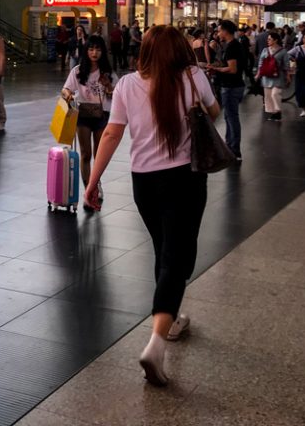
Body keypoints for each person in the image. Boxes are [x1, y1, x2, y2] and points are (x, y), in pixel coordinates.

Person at [84, 26, 219, 386]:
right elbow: (215, 113)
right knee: (179, 258)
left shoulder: (128, 84)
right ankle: (157, 342)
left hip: (143, 182)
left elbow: (112, 133)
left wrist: (93, 181)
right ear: (178, 50)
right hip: (185, 180)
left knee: (164, 249)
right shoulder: (193, 76)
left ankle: (170, 318)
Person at [60, 35, 118, 211]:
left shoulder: (108, 72)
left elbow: (116, 95)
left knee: (99, 155)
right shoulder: (78, 71)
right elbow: (65, 89)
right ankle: (89, 190)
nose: (94, 53)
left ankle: (96, 184)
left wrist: (108, 86)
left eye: (98, 49)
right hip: (83, 115)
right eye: (91, 49)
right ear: (86, 51)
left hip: (102, 116)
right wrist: (68, 95)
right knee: (85, 154)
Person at [210, 20, 245, 161]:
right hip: (234, 85)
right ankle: (230, 146)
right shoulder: (234, 45)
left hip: (231, 86)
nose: (218, 34)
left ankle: (234, 149)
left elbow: (232, 69)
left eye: (219, 31)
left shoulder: (232, 47)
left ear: (225, 31)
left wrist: (216, 69)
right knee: (229, 117)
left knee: (231, 117)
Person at [257, 32, 290, 121]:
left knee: (275, 94)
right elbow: (260, 62)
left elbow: (286, 64)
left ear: (275, 40)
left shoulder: (283, 51)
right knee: (267, 96)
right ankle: (273, 112)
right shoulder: (265, 50)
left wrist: (288, 75)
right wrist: (258, 74)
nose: (267, 41)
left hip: (278, 76)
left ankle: (278, 110)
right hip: (266, 77)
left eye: (270, 39)